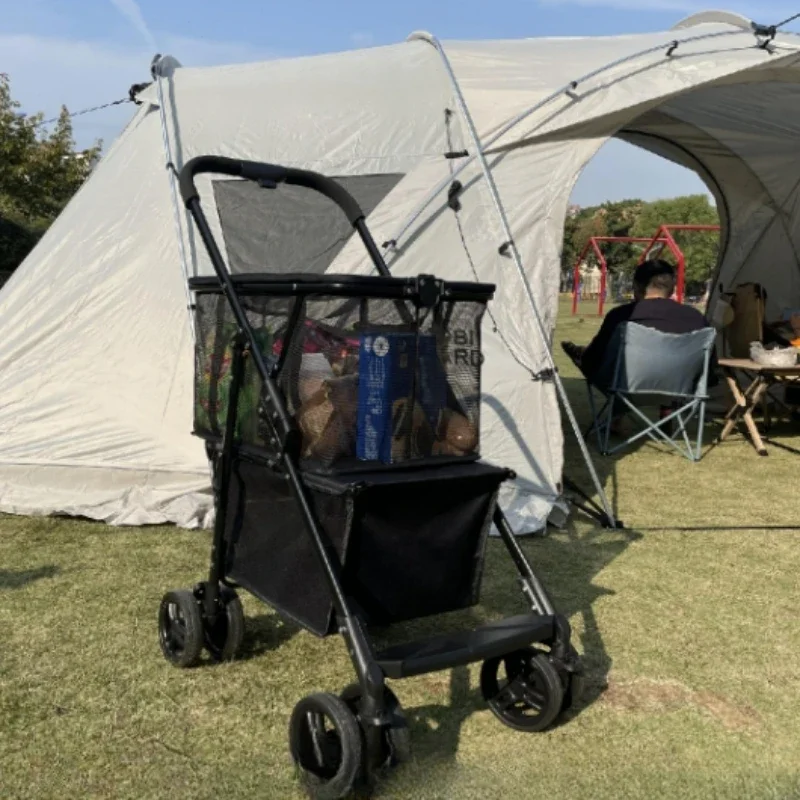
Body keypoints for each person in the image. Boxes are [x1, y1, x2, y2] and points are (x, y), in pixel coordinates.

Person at [562, 259, 709, 433]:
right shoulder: (695, 318)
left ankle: (616, 416)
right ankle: (667, 410)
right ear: (672, 288)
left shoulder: (622, 315)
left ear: (637, 286)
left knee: (600, 363)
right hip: (680, 388)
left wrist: (583, 358)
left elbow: (596, 357)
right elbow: (708, 365)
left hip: (627, 386)